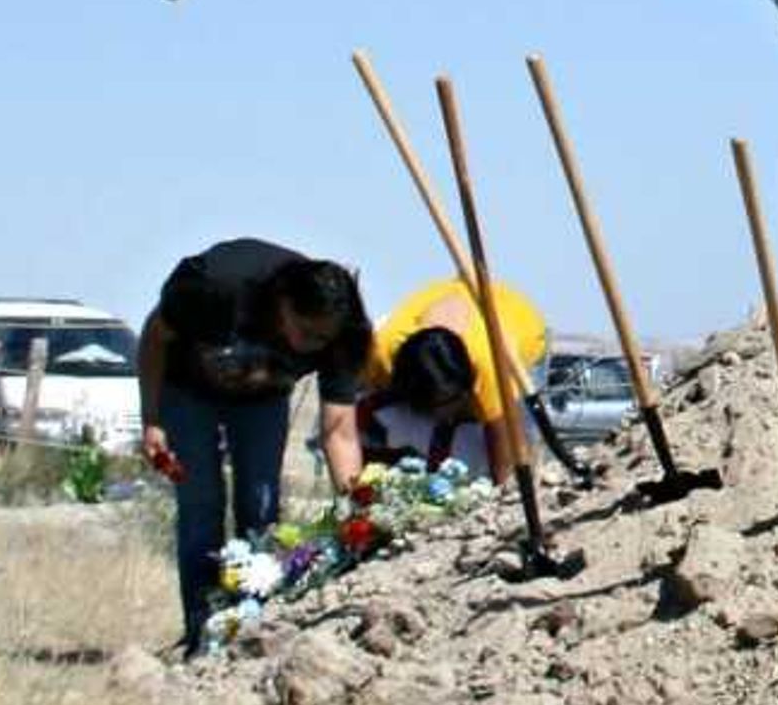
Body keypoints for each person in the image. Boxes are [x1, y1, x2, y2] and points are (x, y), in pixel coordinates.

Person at [138, 241, 373, 648]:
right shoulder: (215, 288)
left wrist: (357, 507)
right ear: (282, 303)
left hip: (263, 400)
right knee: (201, 503)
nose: (312, 345)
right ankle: (201, 630)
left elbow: (340, 430)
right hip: (187, 389)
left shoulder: (345, 336)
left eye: (322, 338)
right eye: (304, 331)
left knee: (260, 509)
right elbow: (155, 338)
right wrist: (152, 419)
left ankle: (249, 625)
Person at [318, 273, 541, 495]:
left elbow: (508, 464)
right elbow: (345, 425)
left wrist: (502, 501)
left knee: (492, 457)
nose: (444, 416)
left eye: (449, 403)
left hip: (519, 329)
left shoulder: (491, 371)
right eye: (432, 408)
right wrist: (359, 494)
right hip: (448, 301)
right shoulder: (380, 355)